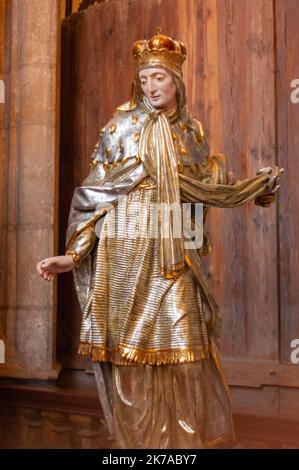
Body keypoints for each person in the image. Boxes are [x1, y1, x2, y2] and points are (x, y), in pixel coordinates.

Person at [36, 32, 283, 449]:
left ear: (177, 83)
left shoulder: (191, 132)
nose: (151, 86)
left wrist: (250, 190)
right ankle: (140, 447)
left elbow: (207, 186)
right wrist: (72, 254)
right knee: (131, 360)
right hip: (125, 249)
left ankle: (186, 447)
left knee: (188, 352)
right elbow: (95, 196)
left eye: (160, 78)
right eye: (146, 77)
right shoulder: (120, 127)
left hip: (171, 250)